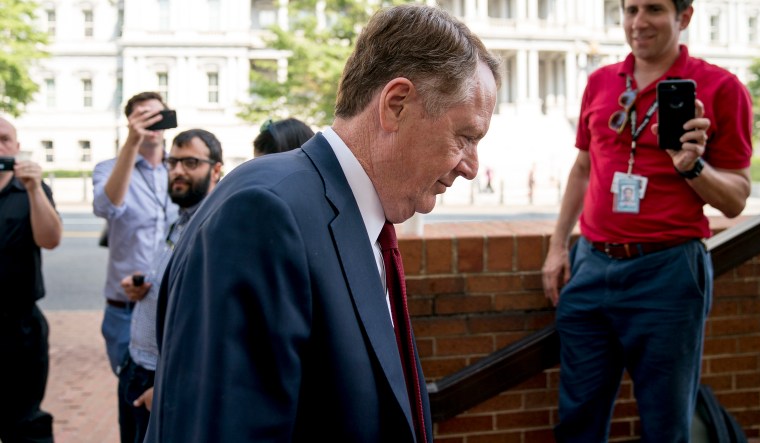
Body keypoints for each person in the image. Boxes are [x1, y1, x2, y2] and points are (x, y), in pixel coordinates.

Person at [145, 4, 500, 442]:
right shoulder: (265, 214)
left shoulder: (351, 216)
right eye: (465, 136)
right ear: (396, 104)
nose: (471, 166)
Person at [541, 1, 752, 441]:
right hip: (592, 266)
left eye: (653, 8)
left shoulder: (721, 87)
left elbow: (735, 199)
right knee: (578, 416)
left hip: (668, 274)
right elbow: (583, 168)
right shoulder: (600, 82)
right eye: (629, 9)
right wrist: (559, 245)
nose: (638, 22)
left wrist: (692, 166)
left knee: (665, 423)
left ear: (685, 17)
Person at [115, 129, 223, 443]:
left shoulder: (213, 225)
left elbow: (208, 324)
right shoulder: (180, 218)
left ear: (216, 169)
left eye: (191, 162)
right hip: (137, 366)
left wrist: (164, 386)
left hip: (161, 381)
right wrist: (146, 287)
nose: (177, 171)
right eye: (172, 162)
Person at [93, 91, 179, 377]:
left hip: (173, 302)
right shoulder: (108, 169)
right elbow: (106, 207)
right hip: (126, 308)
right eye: (142, 116)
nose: (150, 123)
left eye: (157, 115)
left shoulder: (180, 169)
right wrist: (131, 143)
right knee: (131, 392)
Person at [0, 116, 62, 443]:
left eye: (4, 139)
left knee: (24, 420)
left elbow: (50, 239)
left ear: (17, 146)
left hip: (20, 325)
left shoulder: (30, 190)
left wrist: (35, 188)